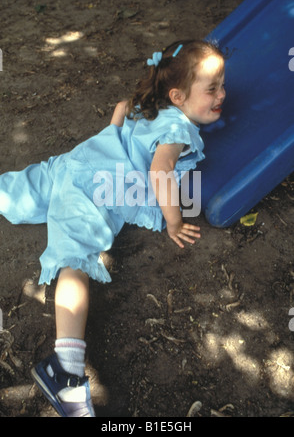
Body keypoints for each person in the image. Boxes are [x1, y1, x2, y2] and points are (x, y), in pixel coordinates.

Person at [0, 39, 226, 417]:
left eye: (222, 84)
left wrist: (114, 135)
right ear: (179, 95)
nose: (223, 94)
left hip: (73, 163)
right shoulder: (178, 130)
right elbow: (160, 171)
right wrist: (174, 220)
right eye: (212, 88)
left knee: (16, 195)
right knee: (75, 257)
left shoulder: (148, 105)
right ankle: (65, 369)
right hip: (92, 190)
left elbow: (120, 111)